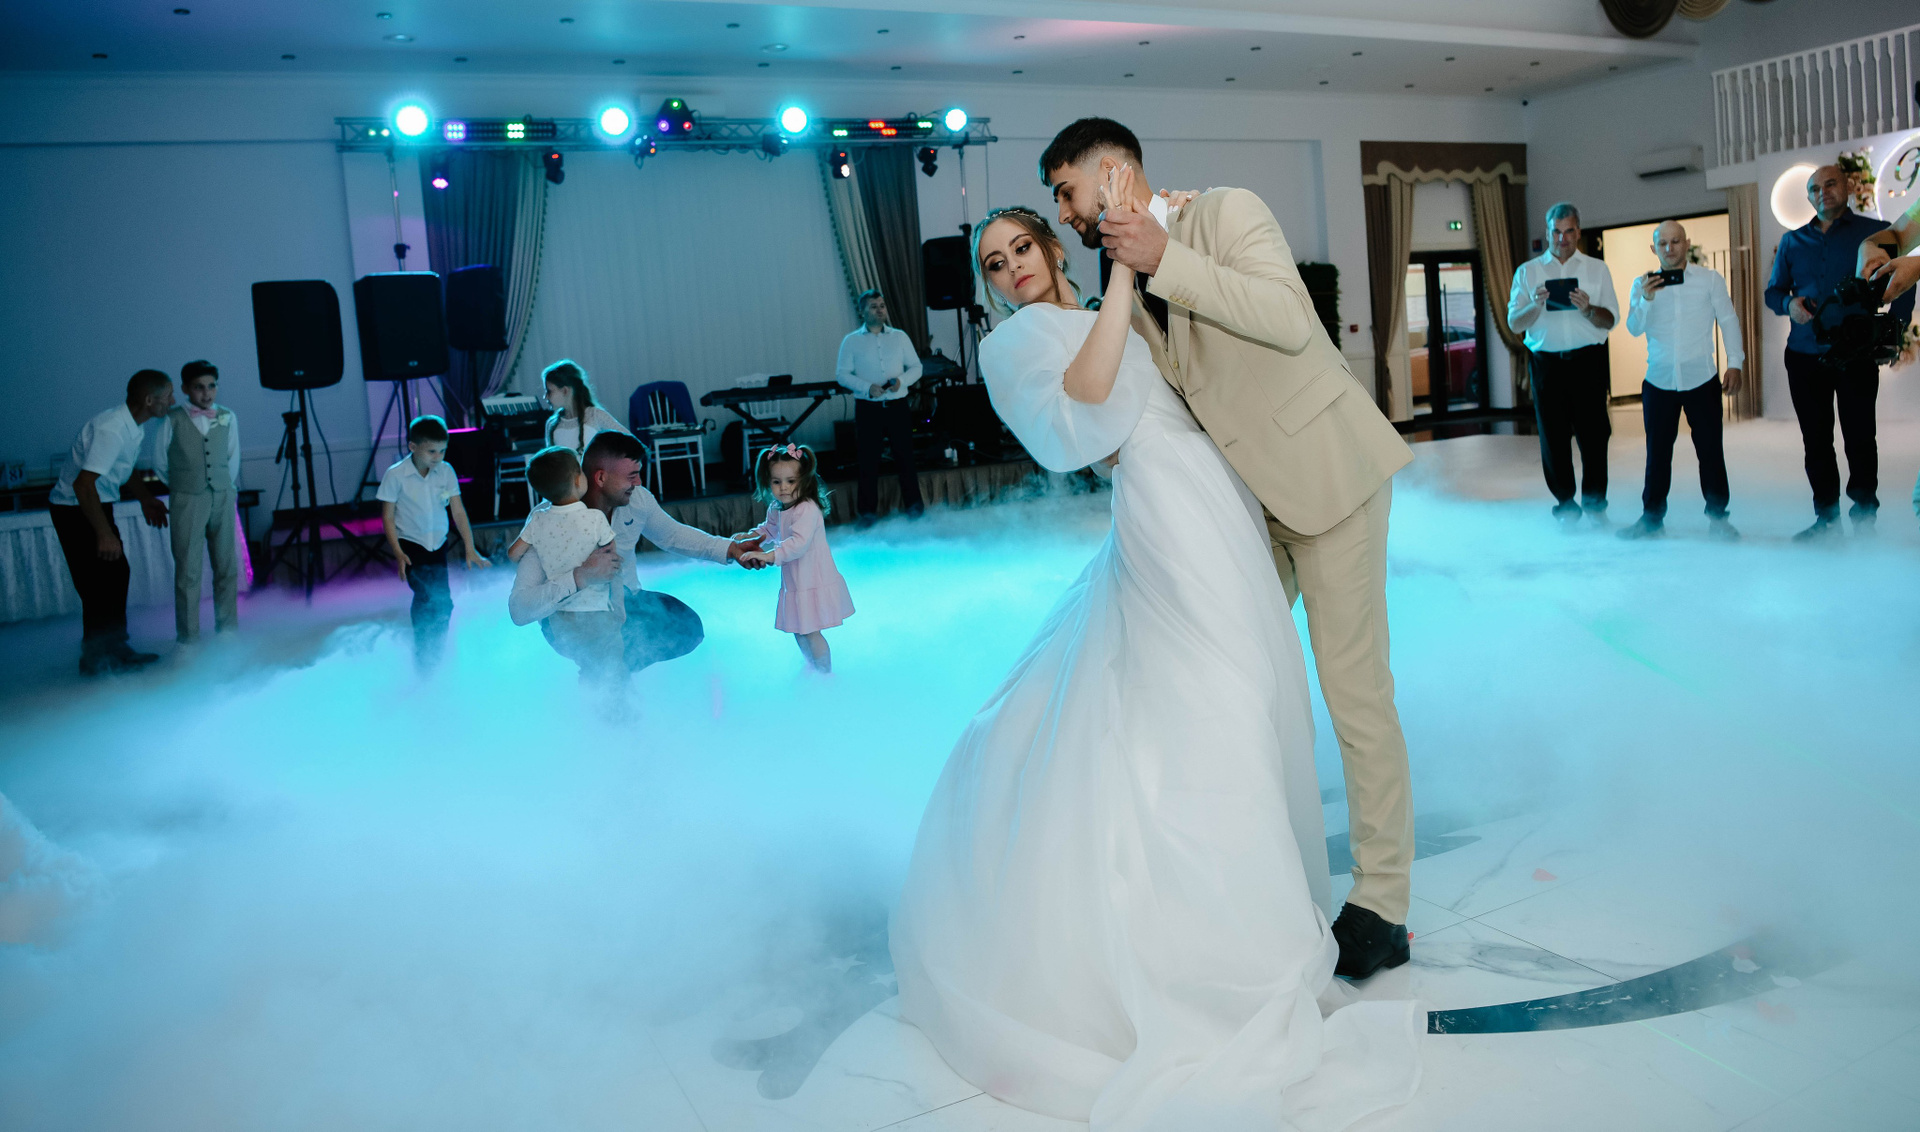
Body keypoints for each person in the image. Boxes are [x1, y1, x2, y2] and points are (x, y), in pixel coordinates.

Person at [891, 181, 1421, 1131]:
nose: (1011, 269)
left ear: (1053, 247)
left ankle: (1247, 892)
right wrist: (1125, 284)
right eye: (993, 264)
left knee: (1242, 690)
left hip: (1222, 495)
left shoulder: (1107, 305)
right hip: (1165, 507)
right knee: (1216, 693)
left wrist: (1133, 280)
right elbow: (1089, 408)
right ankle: (1217, 924)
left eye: (1021, 248)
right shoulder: (1019, 342)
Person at [1045, 117, 1418, 979]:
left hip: (1328, 478)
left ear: (1113, 171)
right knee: (1223, 677)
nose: (1063, 211)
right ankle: (1235, 873)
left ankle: (1385, 905)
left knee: (1354, 695)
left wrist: (1166, 257)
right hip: (1246, 510)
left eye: (1066, 190)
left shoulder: (1225, 212)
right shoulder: (1119, 282)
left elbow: (1289, 319)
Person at [508, 431, 762, 678]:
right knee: (603, 656)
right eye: (632, 476)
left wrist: (730, 548)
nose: (638, 483)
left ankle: (615, 673)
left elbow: (672, 535)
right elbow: (519, 609)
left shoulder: (637, 500)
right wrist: (580, 576)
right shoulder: (548, 520)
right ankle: (604, 680)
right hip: (567, 621)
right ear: (601, 478)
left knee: (687, 626)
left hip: (625, 605)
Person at [1766, 164, 1916, 540]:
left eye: (1830, 183)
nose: (1823, 192)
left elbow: (1905, 280)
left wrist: (1894, 330)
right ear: (1808, 197)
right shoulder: (1791, 241)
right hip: (1804, 355)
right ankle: (1827, 521)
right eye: (1814, 189)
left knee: (1860, 438)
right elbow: (1773, 292)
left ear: (1846, 186)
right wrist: (1789, 304)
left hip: (1857, 354)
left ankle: (1865, 521)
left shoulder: (1875, 234)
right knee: (1816, 442)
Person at [1618, 222, 1745, 542]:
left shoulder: (1709, 280)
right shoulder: (1641, 284)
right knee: (1657, 453)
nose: (1669, 248)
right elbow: (1633, 328)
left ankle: (1718, 519)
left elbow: (1728, 320)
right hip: (1658, 380)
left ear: (1687, 244)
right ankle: (1651, 519)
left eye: (1675, 241)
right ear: (1654, 249)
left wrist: (1735, 363)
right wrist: (1646, 299)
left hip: (1701, 378)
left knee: (1711, 452)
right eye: (1663, 243)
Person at [48, 369, 175, 675]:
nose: (172, 401)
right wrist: (104, 534)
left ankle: (114, 650)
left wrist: (145, 499)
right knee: (98, 584)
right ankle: (97, 659)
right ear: (149, 400)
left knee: (115, 575)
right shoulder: (112, 429)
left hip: (93, 504)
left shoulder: (132, 426)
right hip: (74, 508)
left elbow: (124, 468)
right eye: (168, 396)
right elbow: (83, 485)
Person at [1507, 201, 1620, 524]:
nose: (1562, 238)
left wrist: (1588, 310)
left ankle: (1595, 505)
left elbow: (1610, 319)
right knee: (1553, 438)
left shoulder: (1597, 269)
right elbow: (1514, 323)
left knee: (1595, 436)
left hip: (1588, 362)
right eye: (1556, 232)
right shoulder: (1527, 272)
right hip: (1547, 365)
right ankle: (1566, 505)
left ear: (1578, 232)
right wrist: (1534, 306)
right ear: (1547, 233)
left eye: (1569, 231)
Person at [377, 415, 488, 666]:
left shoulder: (445, 471)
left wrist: (470, 547)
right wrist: (397, 552)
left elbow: (458, 510)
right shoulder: (396, 475)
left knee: (442, 603)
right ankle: (424, 653)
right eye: (431, 451)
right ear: (412, 447)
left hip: (437, 544)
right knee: (427, 597)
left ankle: (436, 650)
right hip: (411, 545)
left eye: (442, 451)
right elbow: (388, 516)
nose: (437, 457)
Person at [738, 444, 854, 672]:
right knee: (799, 631)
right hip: (795, 582)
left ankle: (825, 673)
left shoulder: (806, 509)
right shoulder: (777, 507)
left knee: (810, 631)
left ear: (804, 480)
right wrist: (751, 536)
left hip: (812, 579)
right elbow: (770, 529)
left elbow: (798, 544)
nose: (783, 488)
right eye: (776, 482)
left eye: (791, 481)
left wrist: (769, 556)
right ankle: (812, 668)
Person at [150, 360, 242, 641]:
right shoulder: (171, 419)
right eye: (199, 387)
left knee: (226, 566)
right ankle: (188, 639)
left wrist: (223, 485)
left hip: (222, 495)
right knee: (188, 570)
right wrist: (184, 485)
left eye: (211, 386)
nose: (206, 393)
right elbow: (160, 463)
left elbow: (232, 458)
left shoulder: (228, 416)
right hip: (187, 498)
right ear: (186, 389)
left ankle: (228, 631)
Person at [833, 289, 925, 523]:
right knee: (868, 463)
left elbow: (917, 367)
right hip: (868, 408)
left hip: (897, 406)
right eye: (873, 306)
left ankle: (916, 513)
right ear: (862, 311)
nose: (880, 310)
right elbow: (842, 374)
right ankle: (867, 517)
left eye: (882, 305)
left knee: (906, 459)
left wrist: (901, 381)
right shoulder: (851, 341)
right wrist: (867, 387)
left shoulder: (900, 337)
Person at [541, 359, 629, 463]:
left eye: (549, 391)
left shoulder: (595, 415)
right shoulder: (551, 424)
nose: (545, 397)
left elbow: (631, 443)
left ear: (565, 390)